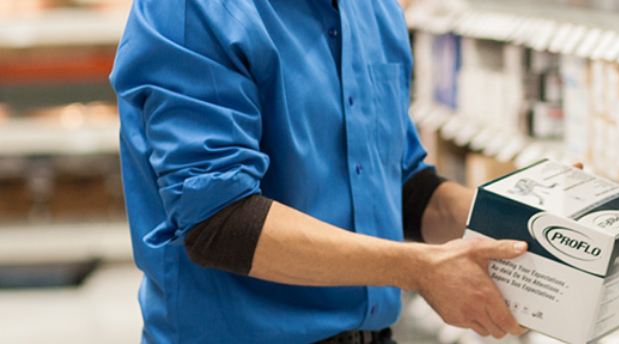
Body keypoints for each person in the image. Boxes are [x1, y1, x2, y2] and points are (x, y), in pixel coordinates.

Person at [110, 0, 524, 342]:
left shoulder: (373, 10)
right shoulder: (197, 10)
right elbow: (220, 222)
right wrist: (420, 270)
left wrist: (519, 222)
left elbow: (400, 184)